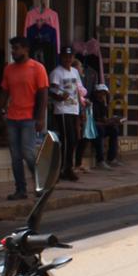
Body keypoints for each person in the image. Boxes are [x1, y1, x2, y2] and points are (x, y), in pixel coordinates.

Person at [0, 37, 48, 201]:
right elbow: (5, 91)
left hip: (29, 118)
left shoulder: (37, 68)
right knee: (15, 156)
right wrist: (0, 110)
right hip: (12, 117)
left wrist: (40, 118)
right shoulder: (9, 69)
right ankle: (20, 189)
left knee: (28, 153)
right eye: (12, 49)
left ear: (26, 49)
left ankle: (40, 184)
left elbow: (43, 94)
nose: (14, 52)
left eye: (17, 48)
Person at [48, 46, 85, 181]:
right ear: (61, 57)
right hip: (62, 109)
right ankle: (62, 169)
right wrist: (59, 96)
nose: (68, 59)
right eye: (65, 56)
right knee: (66, 139)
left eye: (70, 57)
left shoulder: (75, 72)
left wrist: (82, 106)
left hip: (73, 108)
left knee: (73, 139)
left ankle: (68, 166)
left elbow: (78, 89)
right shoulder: (56, 73)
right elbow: (52, 90)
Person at [91, 84, 121, 169]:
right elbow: (92, 121)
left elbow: (104, 118)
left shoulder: (102, 104)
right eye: (101, 93)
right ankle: (100, 160)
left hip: (102, 125)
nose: (103, 95)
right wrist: (105, 123)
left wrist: (112, 121)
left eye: (104, 93)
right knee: (100, 131)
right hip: (94, 127)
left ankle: (111, 158)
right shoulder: (92, 104)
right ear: (96, 93)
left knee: (114, 130)